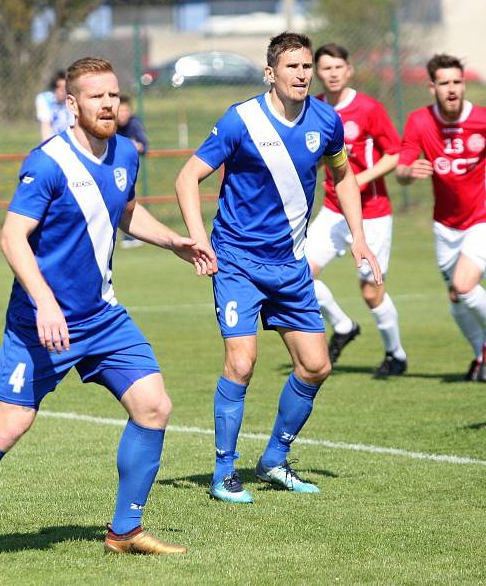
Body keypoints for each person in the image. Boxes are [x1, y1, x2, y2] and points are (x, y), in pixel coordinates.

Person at [0, 57, 215, 571]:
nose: (108, 104)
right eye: (96, 97)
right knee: (9, 425)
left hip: (102, 317)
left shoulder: (124, 151)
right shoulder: (48, 162)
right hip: (40, 322)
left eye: (114, 95)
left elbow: (120, 208)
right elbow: (14, 237)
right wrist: (46, 302)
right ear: (71, 105)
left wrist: (172, 241)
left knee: (153, 405)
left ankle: (125, 531)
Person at [175, 32, 381, 504]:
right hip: (238, 262)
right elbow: (188, 178)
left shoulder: (327, 121)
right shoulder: (240, 120)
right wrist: (199, 239)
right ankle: (224, 473)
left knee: (316, 364)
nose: (302, 75)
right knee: (242, 363)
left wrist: (360, 238)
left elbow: (343, 177)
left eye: (307, 67)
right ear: (271, 73)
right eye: (292, 67)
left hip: (290, 264)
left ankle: (273, 459)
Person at [305, 43, 407, 376]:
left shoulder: (368, 108)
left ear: (348, 70)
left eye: (338, 67)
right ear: (317, 72)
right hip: (333, 210)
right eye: (325, 68)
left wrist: (360, 177)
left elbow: (394, 154)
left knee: (370, 291)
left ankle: (396, 354)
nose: (332, 74)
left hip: (373, 212)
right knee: (299, 276)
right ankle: (343, 325)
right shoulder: (313, 107)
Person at [396, 53, 486, 382]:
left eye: (457, 82)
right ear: (432, 87)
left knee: (464, 285)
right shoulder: (420, 121)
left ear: (464, 84)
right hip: (445, 226)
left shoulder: (482, 119)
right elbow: (402, 168)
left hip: (481, 219)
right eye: (444, 83)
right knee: (457, 298)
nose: (452, 89)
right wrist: (408, 172)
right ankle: (481, 356)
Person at [117, 95, 148, 249]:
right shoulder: (109, 125)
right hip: (108, 168)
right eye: (120, 111)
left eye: (125, 111)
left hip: (127, 170)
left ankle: (131, 235)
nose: (122, 114)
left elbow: (144, 144)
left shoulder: (134, 124)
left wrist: (136, 146)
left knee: (128, 201)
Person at [35, 69, 72, 141]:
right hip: (53, 143)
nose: (63, 91)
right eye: (59, 87)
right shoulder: (45, 99)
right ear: (54, 87)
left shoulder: (71, 101)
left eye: (65, 88)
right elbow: (45, 125)